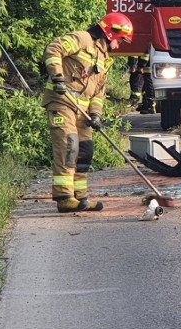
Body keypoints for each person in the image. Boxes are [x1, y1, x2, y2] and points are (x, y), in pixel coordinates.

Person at [42, 13, 133, 213]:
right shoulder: (82, 38)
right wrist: (57, 77)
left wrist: (96, 115)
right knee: (69, 146)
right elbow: (53, 49)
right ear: (111, 33)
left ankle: (80, 197)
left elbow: (99, 93)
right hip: (62, 102)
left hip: (82, 112)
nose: (118, 46)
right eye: (119, 40)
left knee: (85, 151)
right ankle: (65, 197)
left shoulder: (105, 60)